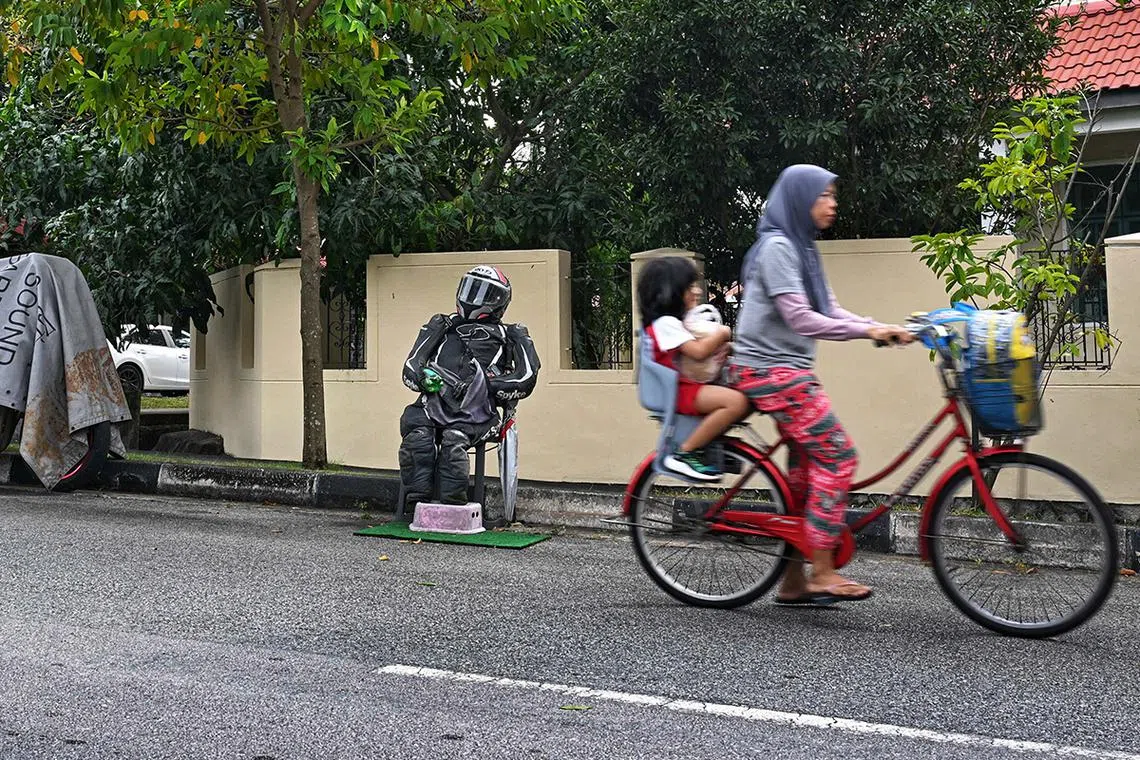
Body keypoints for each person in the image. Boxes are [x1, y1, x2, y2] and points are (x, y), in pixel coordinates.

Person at [726, 164, 913, 604]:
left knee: (803, 478)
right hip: (768, 371)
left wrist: (878, 325)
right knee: (838, 455)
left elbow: (830, 308)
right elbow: (801, 317)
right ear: (799, 199)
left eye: (833, 195)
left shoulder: (802, 248)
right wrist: (867, 333)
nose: (833, 203)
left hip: (786, 372)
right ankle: (823, 571)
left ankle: (792, 582)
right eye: (824, 195)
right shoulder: (777, 248)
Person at [398, 265, 540, 511]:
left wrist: (486, 386)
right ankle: (417, 501)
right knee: (417, 436)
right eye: (471, 289)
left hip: (478, 411)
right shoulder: (441, 324)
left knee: (454, 440)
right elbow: (411, 366)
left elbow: (526, 378)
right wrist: (425, 379)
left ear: (499, 301)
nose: (475, 298)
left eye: (485, 293)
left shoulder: (511, 333)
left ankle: (452, 506)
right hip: (432, 403)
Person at [638, 256, 750, 481]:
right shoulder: (665, 324)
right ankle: (685, 452)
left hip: (687, 386)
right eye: (690, 287)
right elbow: (698, 351)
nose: (697, 291)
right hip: (681, 391)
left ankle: (707, 444)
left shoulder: (674, 322)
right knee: (736, 402)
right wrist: (723, 333)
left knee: (749, 397)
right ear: (670, 292)